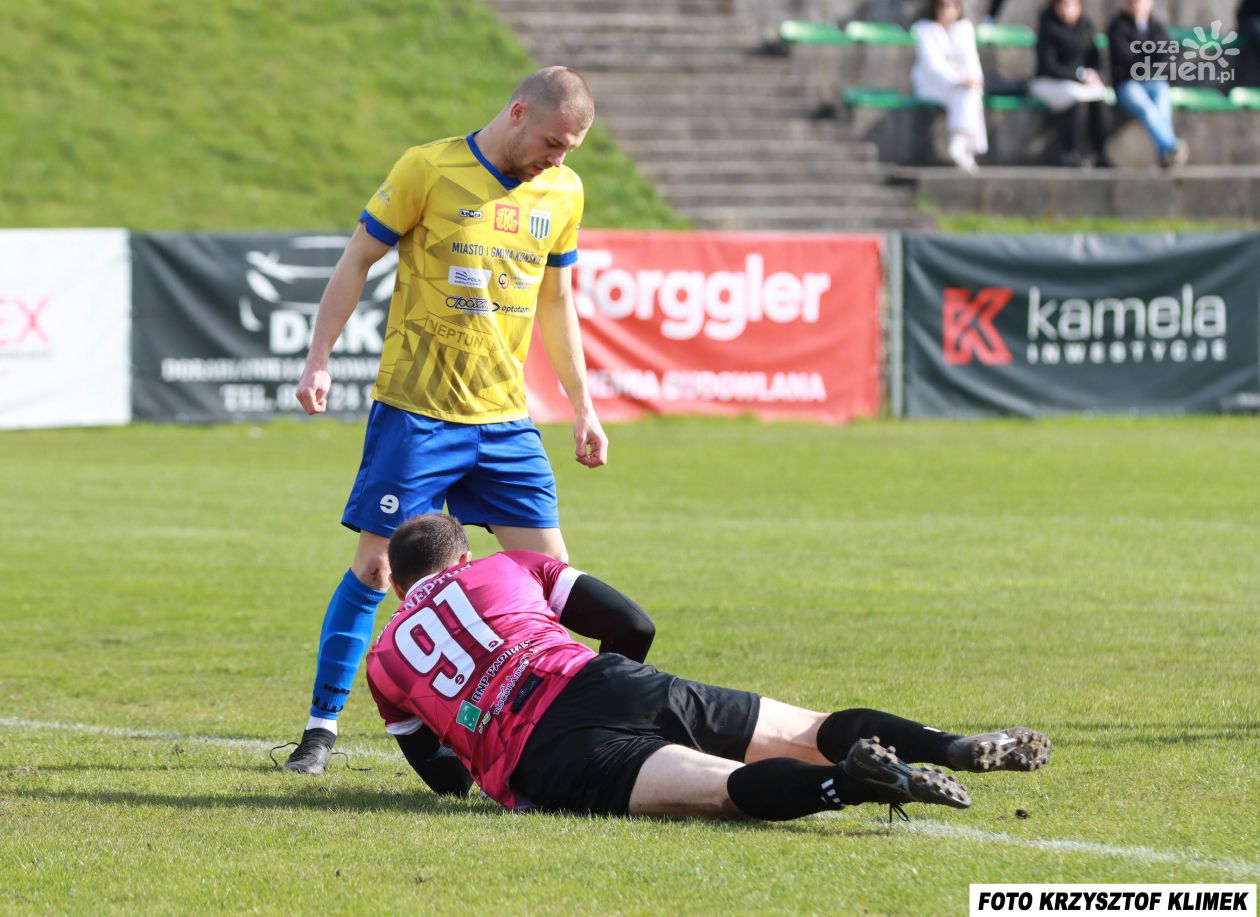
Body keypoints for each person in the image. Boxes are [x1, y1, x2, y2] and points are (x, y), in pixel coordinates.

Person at [280, 67, 618, 775]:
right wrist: (319, 358)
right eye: (552, 142)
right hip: (418, 414)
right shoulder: (428, 169)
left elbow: (558, 303)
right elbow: (358, 258)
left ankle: (553, 733)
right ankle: (320, 729)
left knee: (551, 582)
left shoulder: (562, 192)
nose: (558, 159)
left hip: (505, 422)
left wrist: (583, 406)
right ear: (518, 113)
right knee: (377, 567)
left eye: (570, 149)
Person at [367, 514, 1052, 820]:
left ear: (398, 585)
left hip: (548, 753)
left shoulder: (386, 658)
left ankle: (851, 785)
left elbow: (445, 779)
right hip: (601, 679)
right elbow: (633, 624)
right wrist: (611, 689)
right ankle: (949, 746)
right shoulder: (509, 563)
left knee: (725, 790)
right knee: (808, 729)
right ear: (463, 557)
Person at [1029, 0, 1113, 167]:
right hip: (1049, 82)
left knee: (1100, 96)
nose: (1067, 10)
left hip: (1080, 82)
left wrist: (1096, 75)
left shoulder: (1086, 26)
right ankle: (1071, 152)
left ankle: (1101, 153)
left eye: (1072, 5)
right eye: (1063, 5)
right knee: (1077, 97)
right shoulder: (1047, 26)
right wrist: (1079, 75)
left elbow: (1096, 59)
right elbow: (1049, 66)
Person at [1107, 0, 1187, 167]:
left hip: (1153, 81)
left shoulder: (1156, 26)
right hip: (1126, 84)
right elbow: (1126, 60)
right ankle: (1172, 146)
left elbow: (1167, 57)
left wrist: (1144, 56)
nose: (1137, 5)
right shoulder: (1118, 27)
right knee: (1147, 109)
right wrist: (1149, 54)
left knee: (1162, 104)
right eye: (1132, 2)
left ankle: (1166, 156)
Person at [912, 0, 989, 171]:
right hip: (931, 86)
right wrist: (958, 80)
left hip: (957, 87)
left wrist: (974, 79)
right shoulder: (925, 29)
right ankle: (963, 148)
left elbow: (971, 59)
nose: (948, 11)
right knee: (966, 93)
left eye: (952, 6)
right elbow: (933, 65)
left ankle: (960, 145)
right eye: (944, 6)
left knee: (971, 91)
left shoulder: (964, 29)